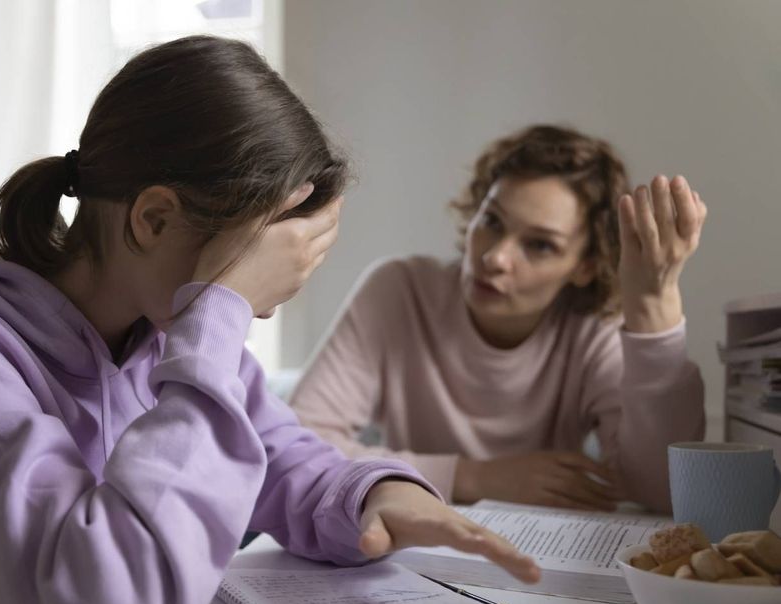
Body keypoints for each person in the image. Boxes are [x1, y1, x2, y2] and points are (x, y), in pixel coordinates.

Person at [0, 37, 538, 604]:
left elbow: (285, 456)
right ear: (154, 219)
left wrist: (377, 493)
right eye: (247, 278)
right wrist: (220, 313)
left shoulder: (163, 336)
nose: (254, 316)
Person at [290, 124, 707, 515]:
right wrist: (475, 477)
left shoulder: (594, 329)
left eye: (540, 245)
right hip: (408, 540)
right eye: (491, 221)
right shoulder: (399, 291)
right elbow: (297, 445)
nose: (495, 258)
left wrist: (653, 306)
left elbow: (662, 492)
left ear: (585, 266)